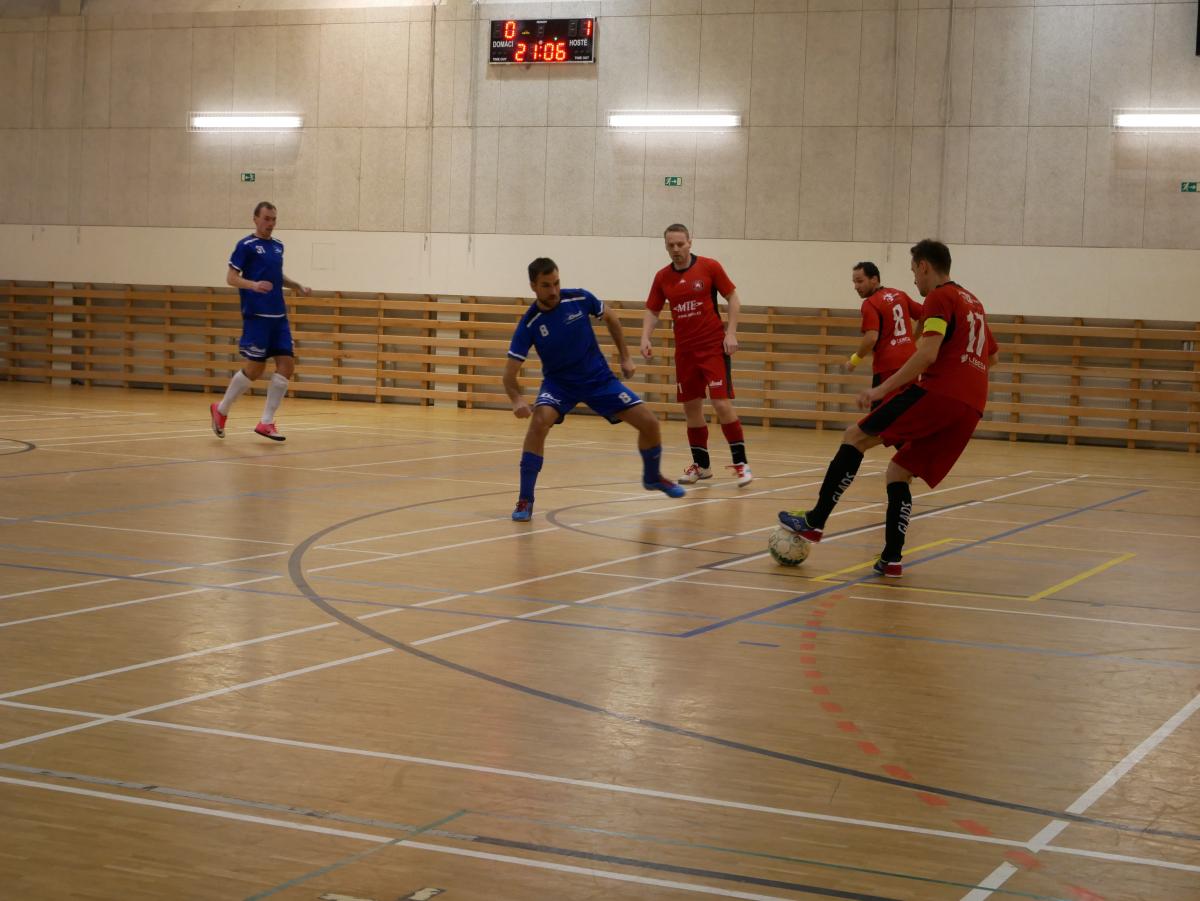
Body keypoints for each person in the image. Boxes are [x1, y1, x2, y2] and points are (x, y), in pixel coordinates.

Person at [778, 239, 999, 577]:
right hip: (972, 407)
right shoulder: (974, 302)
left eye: (914, 271)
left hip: (940, 393)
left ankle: (814, 521)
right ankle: (891, 558)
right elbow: (992, 357)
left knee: (855, 436)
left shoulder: (939, 296)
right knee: (898, 471)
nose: (914, 279)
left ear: (924, 266)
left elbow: (927, 354)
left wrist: (881, 389)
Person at [504, 258, 686, 522]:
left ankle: (652, 477)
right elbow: (508, 375)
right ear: (533, 286)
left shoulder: (579, 298)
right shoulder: (530, 323)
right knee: (539, 423)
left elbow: (611, 317)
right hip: (559, 385)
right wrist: (516, 399)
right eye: (546, 286)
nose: (553, 291)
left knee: (649, 423)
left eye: (556, 283)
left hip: (599, 380)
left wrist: (625, 357)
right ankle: (525, 499)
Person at [640, 224, 752, 487]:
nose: (676, 249)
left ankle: (741, 464)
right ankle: (702, 466)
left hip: (712, 347)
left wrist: (731, 333)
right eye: (671, 245)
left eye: (680, 244)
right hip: (685, 352)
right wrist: (645, 337)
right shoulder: (662, 277)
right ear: (666, 246)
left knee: (721, 404)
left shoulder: (709, 267)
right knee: (691, 408)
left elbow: (733, 298)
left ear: (690, 242)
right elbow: (653, 310)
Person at [209, 201, 310, 441]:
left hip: (279, 316)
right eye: (266, 219)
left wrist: (296, 285)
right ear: (255, 219)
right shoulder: (245, 246)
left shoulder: (278, 246)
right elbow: (231, 278)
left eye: (273, 219)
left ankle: (266, 422)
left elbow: (276, 276)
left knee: (287, 365)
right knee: (255, 369)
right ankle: (221, 409)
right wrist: (253, 285)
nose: (270, 223)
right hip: (257, 316)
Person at [845, 261, 923, 409]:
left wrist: (854, 360)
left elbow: (871, 338)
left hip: (888, 367)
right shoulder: (900, 294)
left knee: (880, 416)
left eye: (860, 281)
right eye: (854, 282)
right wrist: (912, 340)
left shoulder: (870, 303)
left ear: (874, 279)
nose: (856, 286)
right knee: (907, 413)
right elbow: (924, 316)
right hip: (911, 363)